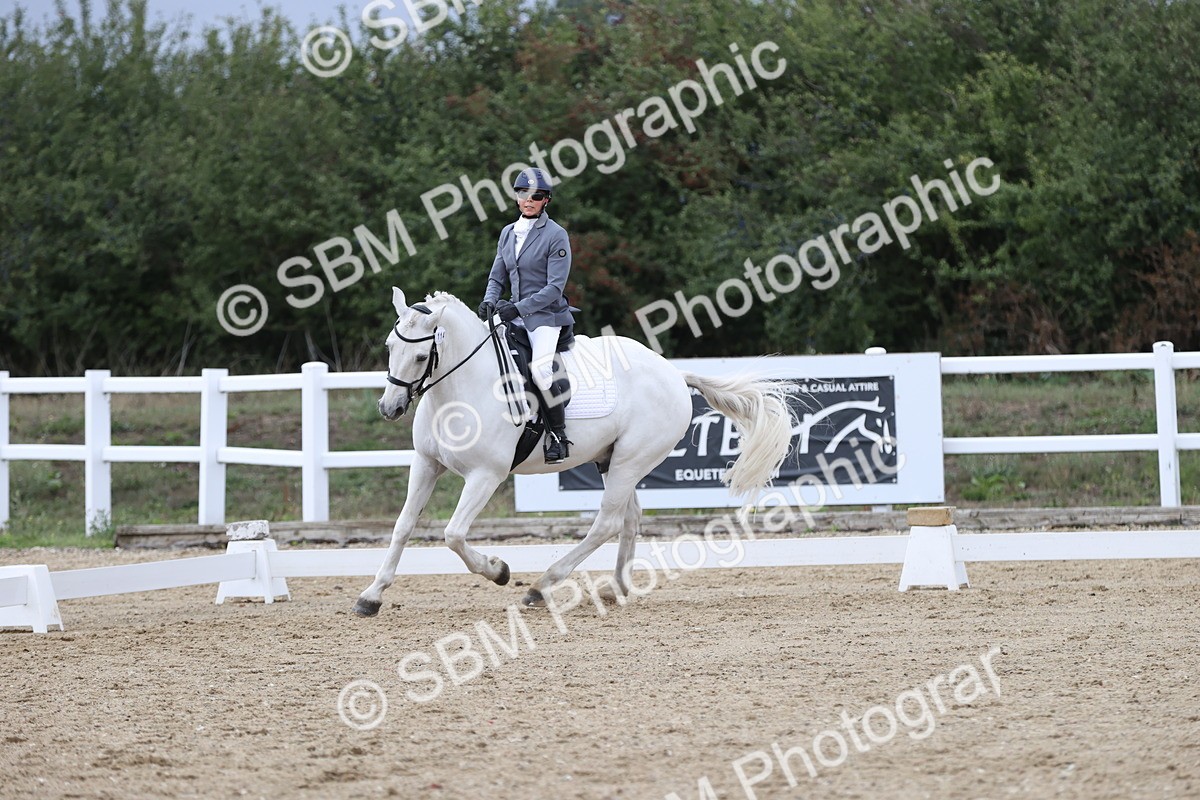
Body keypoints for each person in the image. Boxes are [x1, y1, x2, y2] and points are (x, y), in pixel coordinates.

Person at [477, 168, 575, 464]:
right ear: (516, 197)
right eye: (523, 194)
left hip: (545, 316)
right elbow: (497, 277)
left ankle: (558, 435)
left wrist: (518, 309)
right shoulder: (508, 233)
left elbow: (554, 288)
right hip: (511, 312)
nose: (529, 200)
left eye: (537, 196)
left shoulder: (556, 235)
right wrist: (489, 300)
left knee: (542, 371)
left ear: (546, 200)